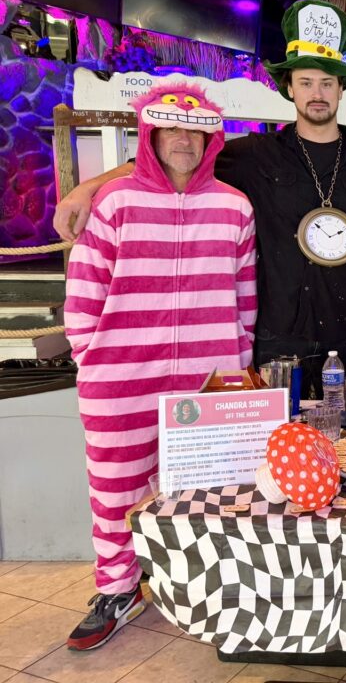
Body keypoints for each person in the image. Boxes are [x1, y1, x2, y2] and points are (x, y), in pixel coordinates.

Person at [54, 0, 346, 394]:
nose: (317, 93)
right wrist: (88, 187)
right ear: (289, 87)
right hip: (276, 341)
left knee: (345, 446)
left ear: (341, 89)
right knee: (272, 449)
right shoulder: (253, 156)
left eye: (326, 83)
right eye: (306, 82)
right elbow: (169, 162)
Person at [64, 82, 256, 650]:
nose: (183, 140)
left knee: (210, 492)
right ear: (149, 136)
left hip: (207, 378)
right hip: (119, 377)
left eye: (194, 131)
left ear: (209, 140)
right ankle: (119, 588)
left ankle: (204, 587)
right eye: (171, 129)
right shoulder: (115, 203)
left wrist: (235, 365)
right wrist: (89, 357)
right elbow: (84, 288)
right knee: (116, 491)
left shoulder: (233, 206)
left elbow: (246, 295)